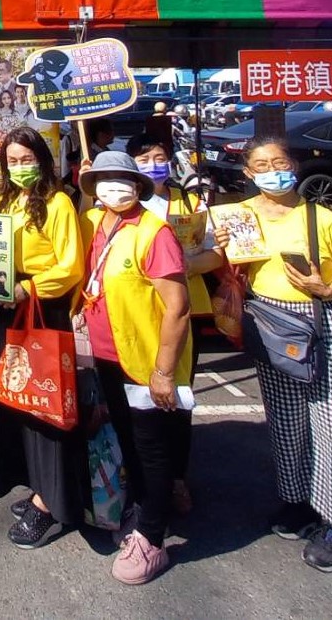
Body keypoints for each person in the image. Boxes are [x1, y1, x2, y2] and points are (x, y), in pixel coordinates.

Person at [214, 136, 332, 573]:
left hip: (320, 323)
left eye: (280, 162)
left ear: (294, 166)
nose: (273, 172)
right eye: (262, 165)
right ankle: (297, 500)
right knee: (286, 422)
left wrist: (327, 288)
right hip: (268, 321)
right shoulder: (239, 216)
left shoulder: (323, 219)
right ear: (248, 173)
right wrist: (221, 248)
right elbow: (227, 266)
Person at [0, 126, 84, 549]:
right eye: (13, 161)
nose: (21, 167)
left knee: (48, 404)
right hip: (7, 309)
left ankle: (52, 502)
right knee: (18, 398)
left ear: (43, 160)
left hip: (43, 310)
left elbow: (71, 267)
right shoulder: (2, 200)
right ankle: (37, 485)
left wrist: (28, 288)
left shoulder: (59, 202)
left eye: (27, 159)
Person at [76, 151, 192, 584]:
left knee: (151, 448)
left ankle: (152, 539)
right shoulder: (94, 222)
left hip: (145, 363)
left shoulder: (154, 232)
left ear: (138, 186)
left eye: (122, 179)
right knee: (127, 439)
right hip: (108, 356)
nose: (113, 187)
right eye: (103, 179)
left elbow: (177, 307)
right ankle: (142, 508)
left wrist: (163, 371)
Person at [127, 133, 225, 514]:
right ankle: (139, 478)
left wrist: (179, 265)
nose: (153, 164)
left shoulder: (191, 203)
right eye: (144, 158)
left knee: (177, 397)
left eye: (159, 156)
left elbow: (216, 256)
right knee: (135, 401)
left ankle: (178, 478)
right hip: (133, 313)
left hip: (183, 311)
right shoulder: (123, 203)